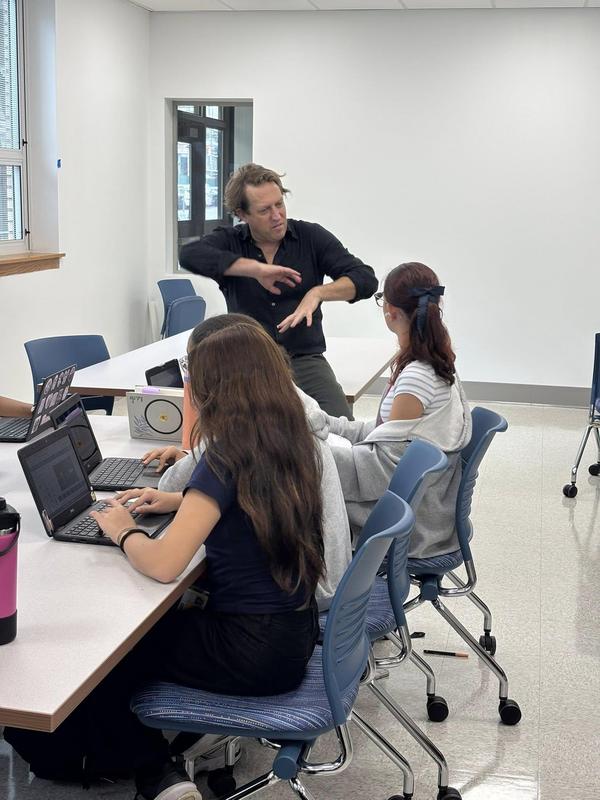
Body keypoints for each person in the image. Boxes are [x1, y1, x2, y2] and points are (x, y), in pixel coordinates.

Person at [8, 322, 327, 800]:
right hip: (293, 634)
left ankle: (159, 774)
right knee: (140, 634)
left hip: (249, 650)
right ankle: (154, 763)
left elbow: (163, 564)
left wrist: (123, 531)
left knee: (107, 658)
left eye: (190, 380)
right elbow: (249, 505)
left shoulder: (224, 456)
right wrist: (180, 501)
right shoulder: (284, 439)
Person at [136, 313, 351, 612]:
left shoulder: (234, 444)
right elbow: (252, 494)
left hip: (301, 600)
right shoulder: (288, 421)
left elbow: (164, 562)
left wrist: (123, 530)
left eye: (192, 368)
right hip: (318, 591)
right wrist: (179, 493)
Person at [178, 163, 378, 418]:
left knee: (341, 428)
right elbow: (189, 254)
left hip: (303, 360)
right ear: (242, 214)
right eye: (264, 210)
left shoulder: (310, 237)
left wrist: (316, 293)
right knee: (242, 436)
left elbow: (365, 279)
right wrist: (256, 270)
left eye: (279, 204)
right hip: (246, 366)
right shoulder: (231, 242)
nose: (277, 215)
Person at [325, 262, 472, 560]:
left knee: (302, 475)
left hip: (412, 524)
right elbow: (386, 435)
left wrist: (311, 448)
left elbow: (385, 467)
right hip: (424, 505)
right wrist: (328, 425)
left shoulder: (416, 379)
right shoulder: (433, 364)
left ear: (390, 311)